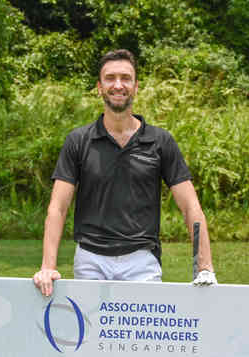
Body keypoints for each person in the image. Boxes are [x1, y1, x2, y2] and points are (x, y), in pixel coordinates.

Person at [33, 49, 216, 296]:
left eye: (126, 78)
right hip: (90, 261)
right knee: (88, 324)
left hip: (142, 262)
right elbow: (58, 208)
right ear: (99, 87)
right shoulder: (78, 140)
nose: (118, 85)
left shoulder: (160, 141)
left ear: (136, 87)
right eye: (110, 78)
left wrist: (204, 267)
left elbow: (190, 207)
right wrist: (48, 267)